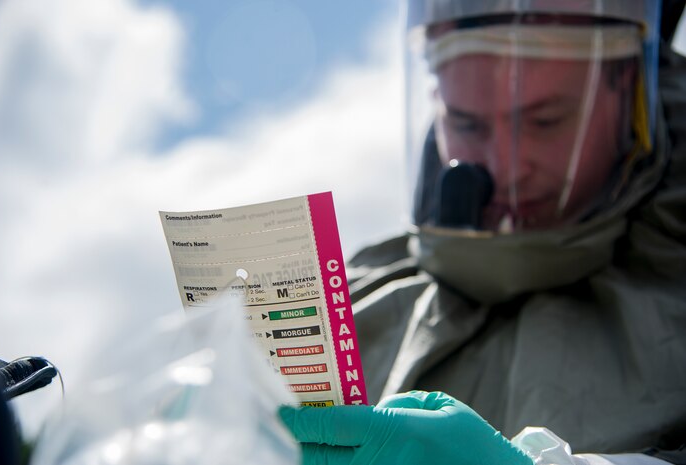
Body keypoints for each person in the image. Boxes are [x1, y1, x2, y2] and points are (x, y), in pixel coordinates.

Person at [279, 1, 686, 464]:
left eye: (545, 120)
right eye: (466, 123)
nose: (503, 168)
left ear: (630, 98)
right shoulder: (357, 297)